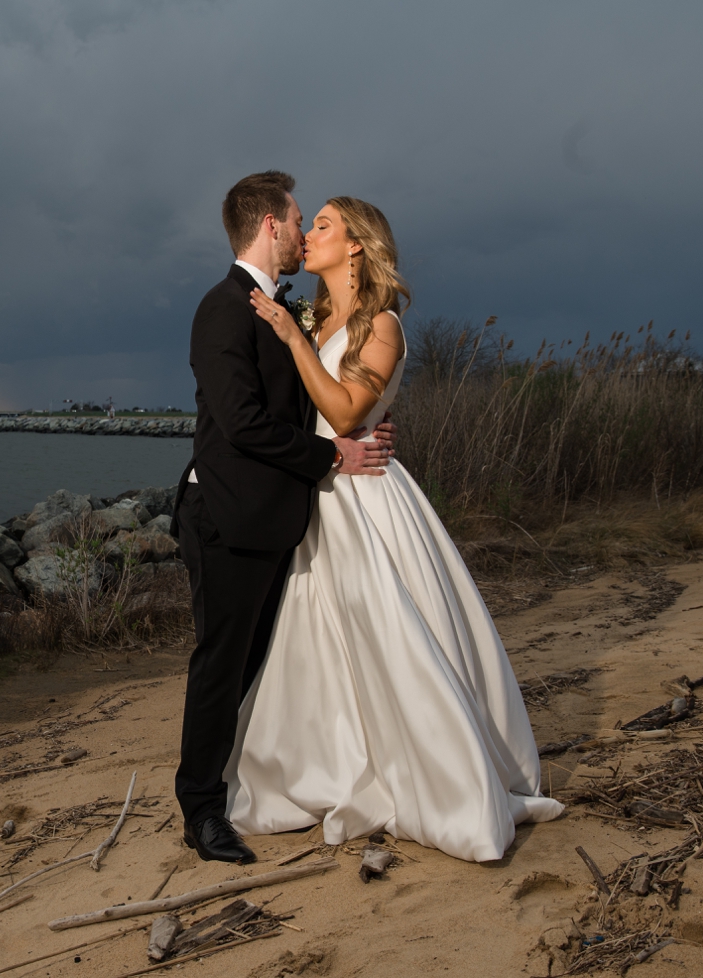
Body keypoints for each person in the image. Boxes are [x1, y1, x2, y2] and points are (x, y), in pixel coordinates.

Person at [228, 195, 564, 862]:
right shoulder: (322, 319)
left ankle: (431, 777)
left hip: (366, 503)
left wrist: (293, 339)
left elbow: (349, 414)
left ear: (356, 245)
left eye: (322, 224)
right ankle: (330, 762)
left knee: (389, 636)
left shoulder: (380, 324)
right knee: (320, 645)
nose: (309, 235)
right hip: (323, 495)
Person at [173, 172, 395, 864]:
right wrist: (333, 457)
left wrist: (357, 431)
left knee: (256, 667)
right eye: (299, 220)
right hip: (224, 518)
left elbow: (326, 396)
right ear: (271, 226)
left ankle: (246, 783)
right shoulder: (224, 308)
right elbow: (240, 425)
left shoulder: (285, 310)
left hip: (272, 522)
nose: (303, 233)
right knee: (221, 666)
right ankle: (201, 811)